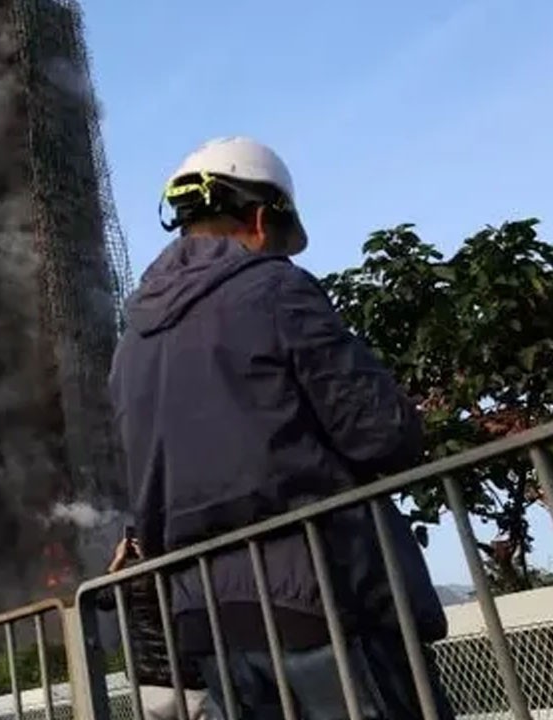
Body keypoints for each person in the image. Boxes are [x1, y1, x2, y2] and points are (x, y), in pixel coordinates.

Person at [108, 137, 453, 720]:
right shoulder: (276, 289)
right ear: (263, 219)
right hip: (318, 600)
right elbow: (382, 436)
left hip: (208, 625)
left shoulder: (130, 346)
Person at [98, 517, 210, 720]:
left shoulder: (131, 581)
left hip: (151, 685)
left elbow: (101, 597)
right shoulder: (186, 573)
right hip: (192, 680)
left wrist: (118, 560)